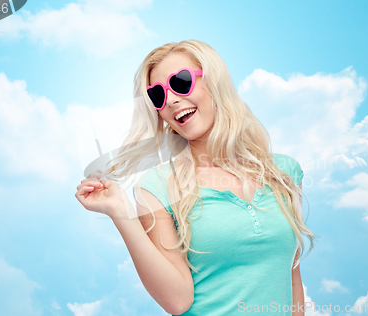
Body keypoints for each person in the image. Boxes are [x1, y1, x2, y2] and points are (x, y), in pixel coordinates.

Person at [75, 40, 318, 316]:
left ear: (214, 82)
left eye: (180, 82)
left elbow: (292, 277)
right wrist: (121, 213)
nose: (172, 100)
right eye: (158, 95)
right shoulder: (157, 187)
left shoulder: (284, 173)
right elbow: (177, 301)